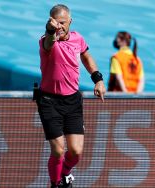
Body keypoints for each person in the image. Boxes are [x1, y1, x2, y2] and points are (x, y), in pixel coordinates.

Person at [36, 4, 106, 188]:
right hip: (49, 101)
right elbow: (49, 40)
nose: (59, 26)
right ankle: (55, 183)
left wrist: (97, 79)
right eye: (55, 23)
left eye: (62, 23)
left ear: (70, 22)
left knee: (75, 152)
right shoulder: (46, 41)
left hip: (72, 100)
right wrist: (50, 30)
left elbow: (86, 57)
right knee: (58, 151)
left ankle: (65, 174)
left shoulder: (78, 39)